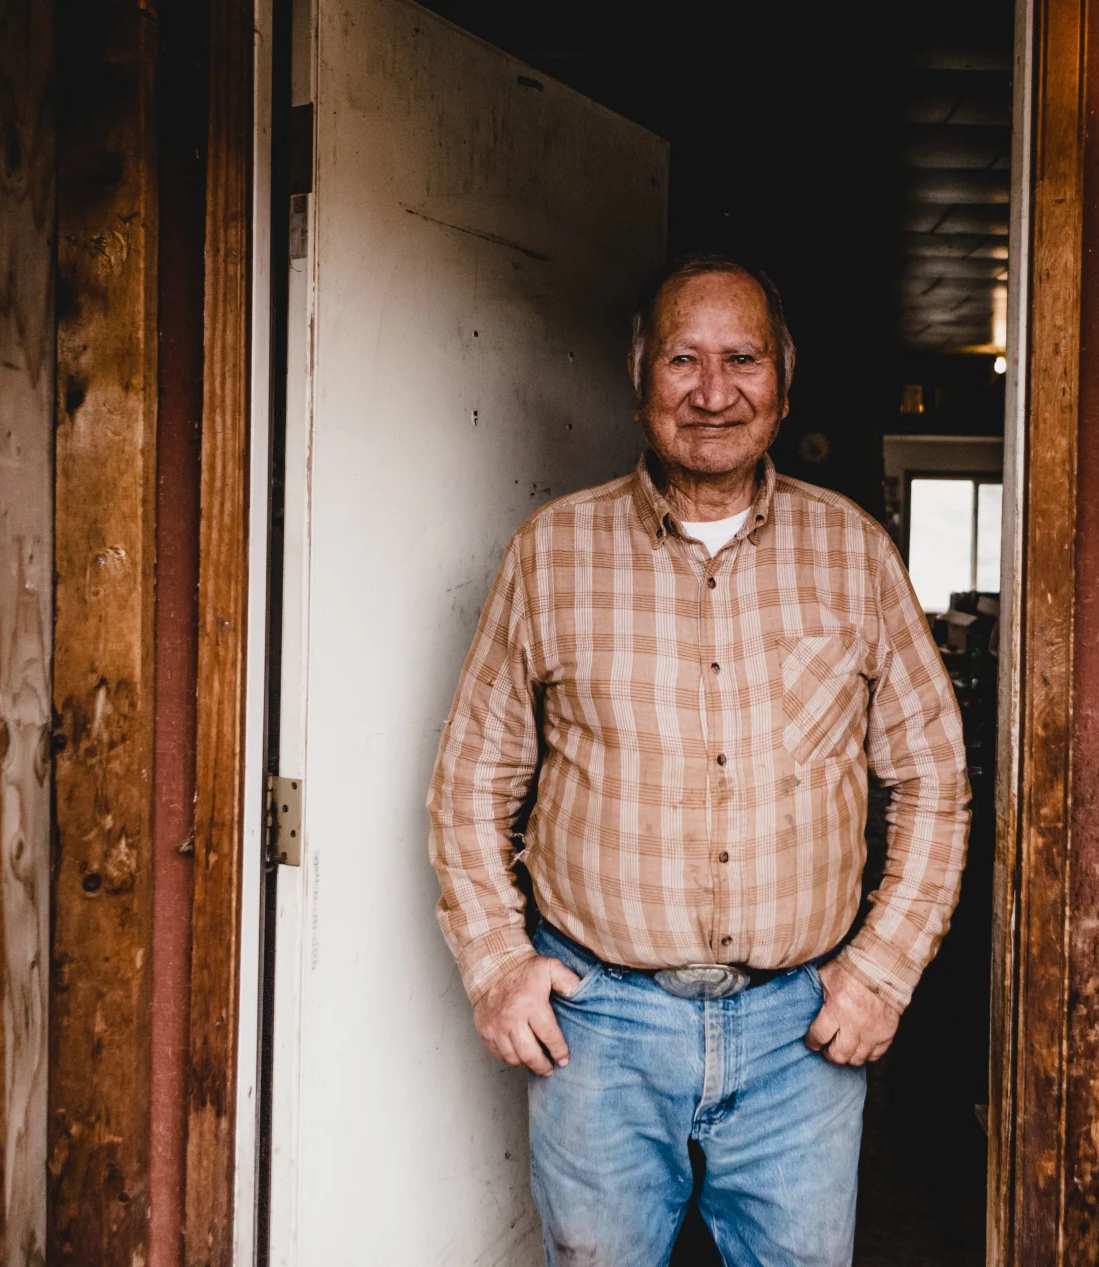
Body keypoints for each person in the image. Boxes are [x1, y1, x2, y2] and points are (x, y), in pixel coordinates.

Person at [427, 253, 971, 1266]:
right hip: (601, 1030)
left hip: (799, 1033)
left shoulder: (854, 553)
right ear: (639, 385)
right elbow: (470, 784)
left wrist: (881, 973)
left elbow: (933, 783)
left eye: (741, 359)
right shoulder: (550, 553)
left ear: (783, 386)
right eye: (682, 358)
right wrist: (499, 963)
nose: (713, 391)